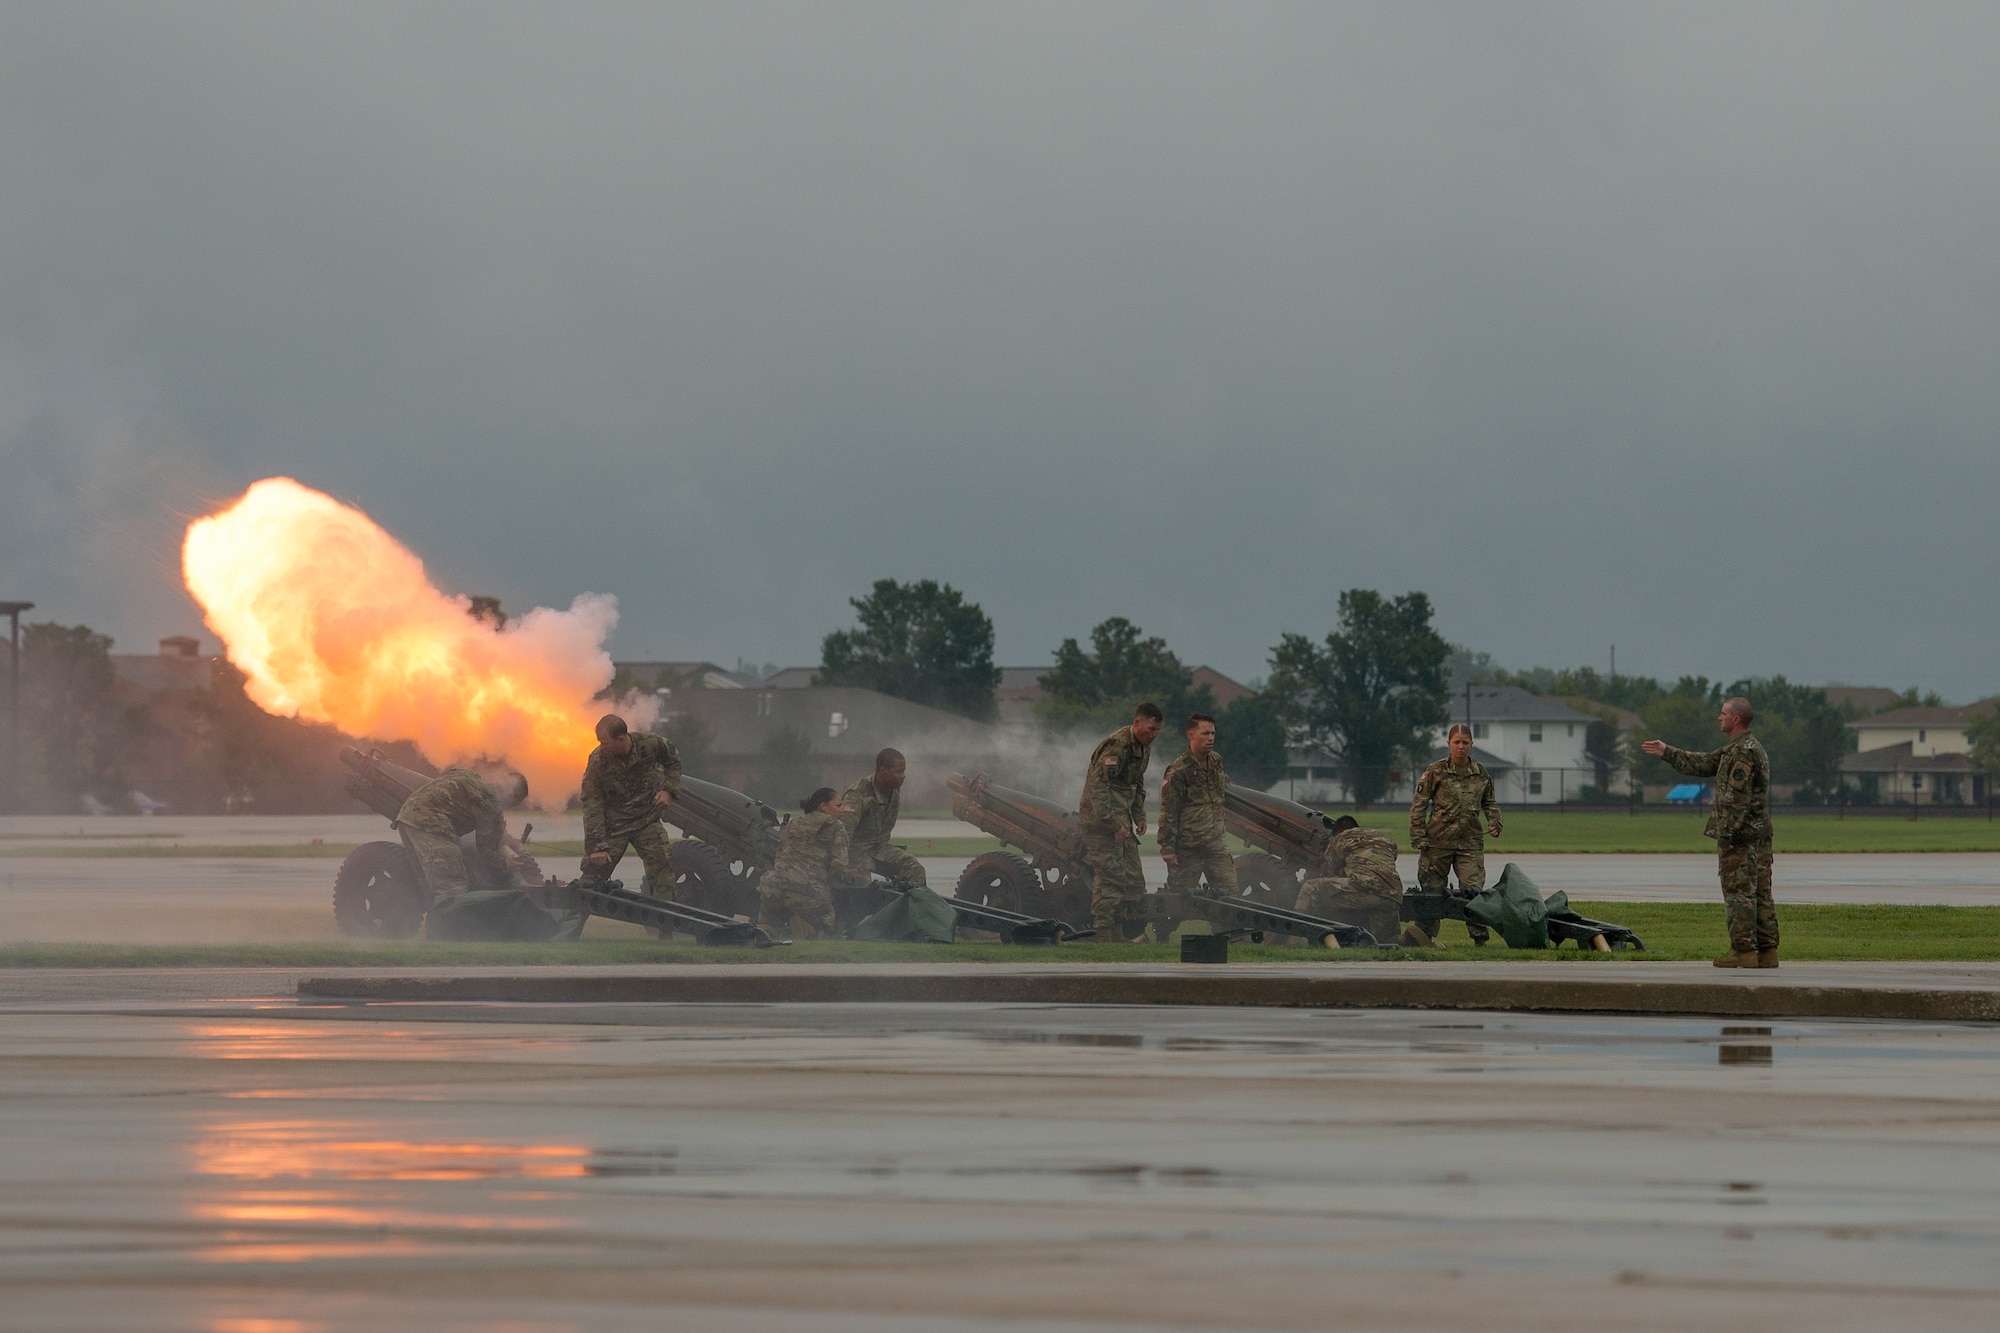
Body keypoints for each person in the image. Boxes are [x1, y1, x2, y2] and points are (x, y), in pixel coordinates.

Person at [1642, 697, 1776, 968]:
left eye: (1723, 713)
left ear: (1736, 719)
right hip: (1758, 834)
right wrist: (1667, 751)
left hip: (1741, 837)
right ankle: (1767, 951)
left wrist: (1727, 837)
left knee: (1739, 892)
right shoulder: (1743, 748)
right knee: (1760, 892)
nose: (1719, 717)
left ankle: (1743, 951)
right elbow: (1704, 763)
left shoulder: (1742, 753)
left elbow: (1736, 800)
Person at [1407, 723, 1502, 946]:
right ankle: (1424, 937)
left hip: (1469, 842)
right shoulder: (1435, 771)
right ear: (1448, 744)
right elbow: (1419, 805)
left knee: (1473, 890)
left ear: (1471, 744)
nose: (1461, 747)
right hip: (1437, 842)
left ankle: (1480, 939)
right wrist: (1419, 838)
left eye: (1465, 743)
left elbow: (1489, 802)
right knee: (1432, 891)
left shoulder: (1480, 773)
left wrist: (1495, 822)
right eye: (1456, 742)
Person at [1078, 702, 1165, 941]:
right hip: (1100, 823)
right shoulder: (1117, 747)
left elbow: (1136, 784)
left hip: (1121, 821)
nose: (1154, 734)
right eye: (1150, 728)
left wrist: (1139, 816)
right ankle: (1104, 933)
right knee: (1111, 878)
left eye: (1157, 730)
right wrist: (1112, 825)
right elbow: (1098, 790)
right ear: (1137, 723)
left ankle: (1120, 934)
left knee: (1133, 880)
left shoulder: (1143, 747)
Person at [395, 766, 529, 913]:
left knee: (427, 886)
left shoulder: (473, 778)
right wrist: (505, 864)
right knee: (452, 885)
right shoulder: (491, 801)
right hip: (432, 823)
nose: (508, 808)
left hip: (407, 817)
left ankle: (432, 927)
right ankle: (447, 933)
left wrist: (503, 836)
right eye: (513, 805)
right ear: (513, 795)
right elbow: (486, 852)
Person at [580, 713, 683, 898]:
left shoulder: (649, 743)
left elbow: (673, 761)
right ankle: (565, 925)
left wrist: (668, 791)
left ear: (621, 739)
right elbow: (591, 802)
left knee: (663, 871)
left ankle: (665, 924)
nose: (601, 747)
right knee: (591, 879)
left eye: (605, 743)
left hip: (646, 820)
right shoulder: (597, 760)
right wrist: (597, 847)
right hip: (614, 825)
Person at [758, 787, 860, 939]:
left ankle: (767, 929)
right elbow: (838, 867)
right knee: (827, 928)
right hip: (808, 892)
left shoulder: (794, 822)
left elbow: (779, 855)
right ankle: (807, 930)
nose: (842, 810)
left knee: (770, 922)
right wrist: (840, 884)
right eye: (838, 805)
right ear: (823, 806)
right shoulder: (835, 826)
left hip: (773, 888)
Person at [1159, 713, 1237, 899]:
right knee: (1178, 901)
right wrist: (1167, 848)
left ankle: (1223, 929)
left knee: (1231, 897)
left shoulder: (1216, 761)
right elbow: (1169, 810)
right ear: (1191, 735)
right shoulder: (1179, 770)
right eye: (1205, 734)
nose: (1210, 738)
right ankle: (1159, 929)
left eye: (1212, 733)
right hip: (1189, 848)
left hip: (1216, 845)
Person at [1296, 815, 1407, 946]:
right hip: (1392, 895)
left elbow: (1329, 874)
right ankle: (1406, 941)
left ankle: (1292, 939)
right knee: (1382, 942)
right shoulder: (1386, 839)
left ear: (1338, 831)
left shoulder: (1340, 839)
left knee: (1312, 887)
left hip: (1364, 889)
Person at [839, 748, 927, 890]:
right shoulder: (857, 794)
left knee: (914, 869)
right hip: (855, 852)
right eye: (898, 771)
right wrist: (845, 866)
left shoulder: (893, 790)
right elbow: (842, 834)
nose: (903, 776)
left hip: (878, 848)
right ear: (882, 770)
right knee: (863, 887)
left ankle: (913, 909)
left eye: (903, 771)